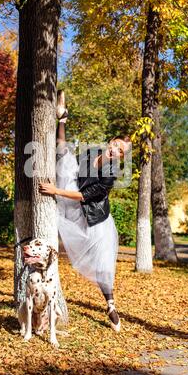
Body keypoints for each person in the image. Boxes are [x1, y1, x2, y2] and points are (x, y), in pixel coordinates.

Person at [39, 90, 131, 332]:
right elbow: (63, 151)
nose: (116, 151)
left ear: (121, 157)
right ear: (111, 141)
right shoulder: (90, 153)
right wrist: (62, 122)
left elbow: (84, 196)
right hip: (79, 211)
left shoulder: (110, 176)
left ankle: (110, 304)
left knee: (102, 267)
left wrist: (56, 191)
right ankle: (63, 117)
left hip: (97, 222)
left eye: (121, 152)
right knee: (65, 156)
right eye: (116, 145)